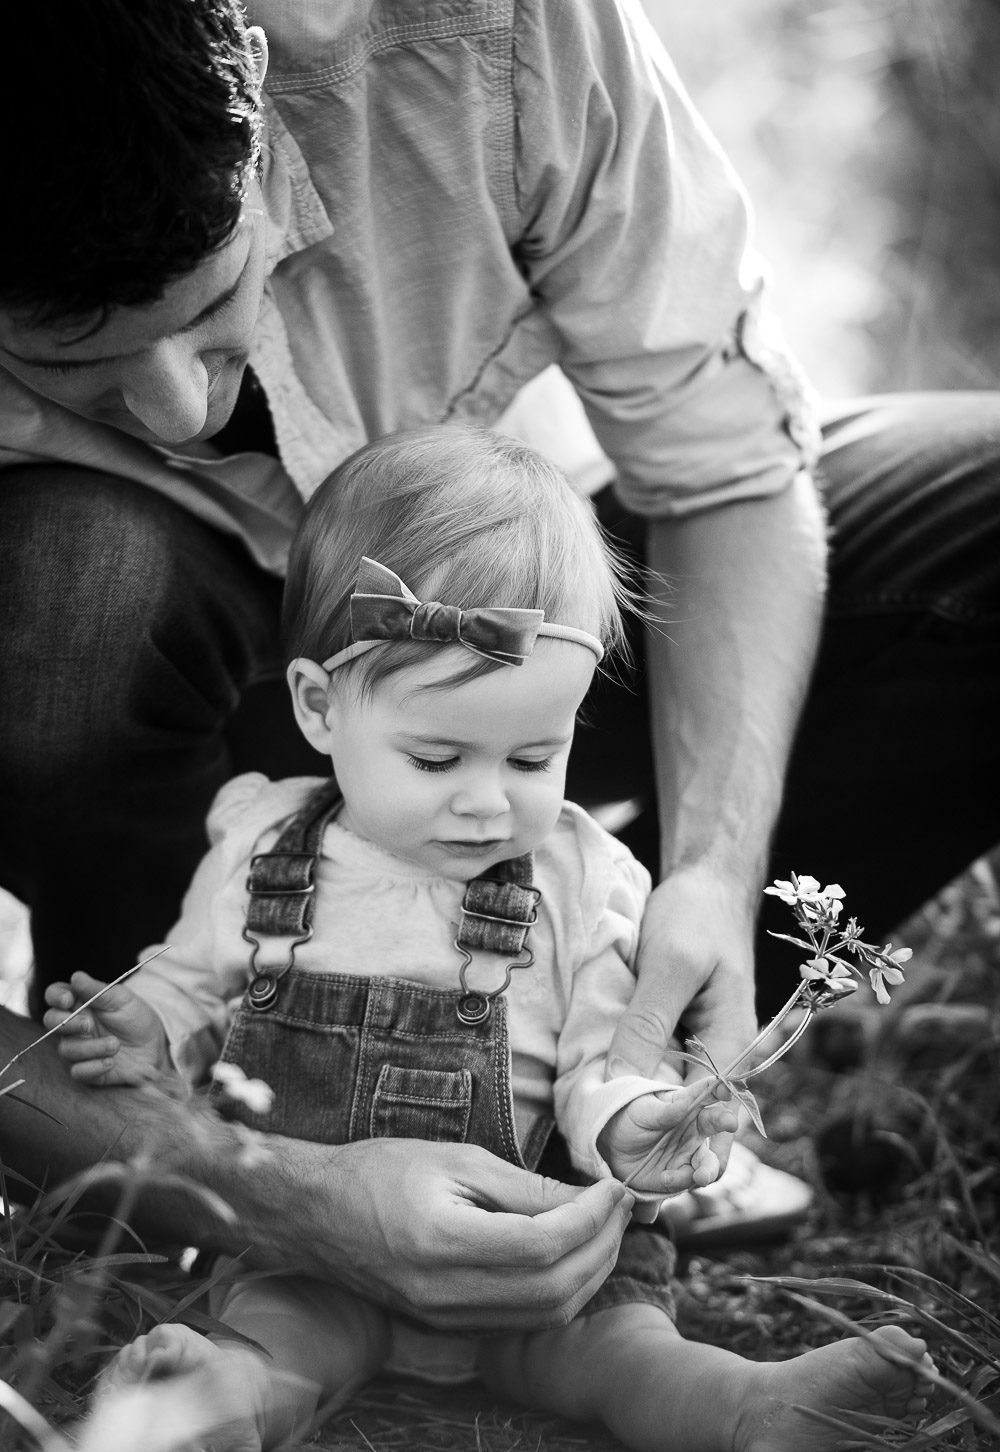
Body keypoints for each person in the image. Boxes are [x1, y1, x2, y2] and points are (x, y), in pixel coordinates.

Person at [0, 0, 997, 1268]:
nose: (179, 410)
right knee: (70, 589)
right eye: (67, 368)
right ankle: (160, 1172)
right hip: (153, 700)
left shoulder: (499, 35)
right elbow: (175, 979)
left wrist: (710, 872)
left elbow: (726, 470)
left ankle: (626, 1075)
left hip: (541, 606)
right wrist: (250, 1181)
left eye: (214, 306)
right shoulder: (253, 844)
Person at [43, 428, 935, 1452]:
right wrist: (144, 1024)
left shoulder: (581, 880)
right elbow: (195, 978)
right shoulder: (261, 845)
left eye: (532, 754)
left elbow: (603, 1066)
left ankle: (757, 1409)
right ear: (319, 708)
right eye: (435, 755)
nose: (485, 800)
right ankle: (213, 1403)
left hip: (537, 1267)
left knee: (628, 1352)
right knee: (277, 1341)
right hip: (325, 1255)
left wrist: (638, 1123)